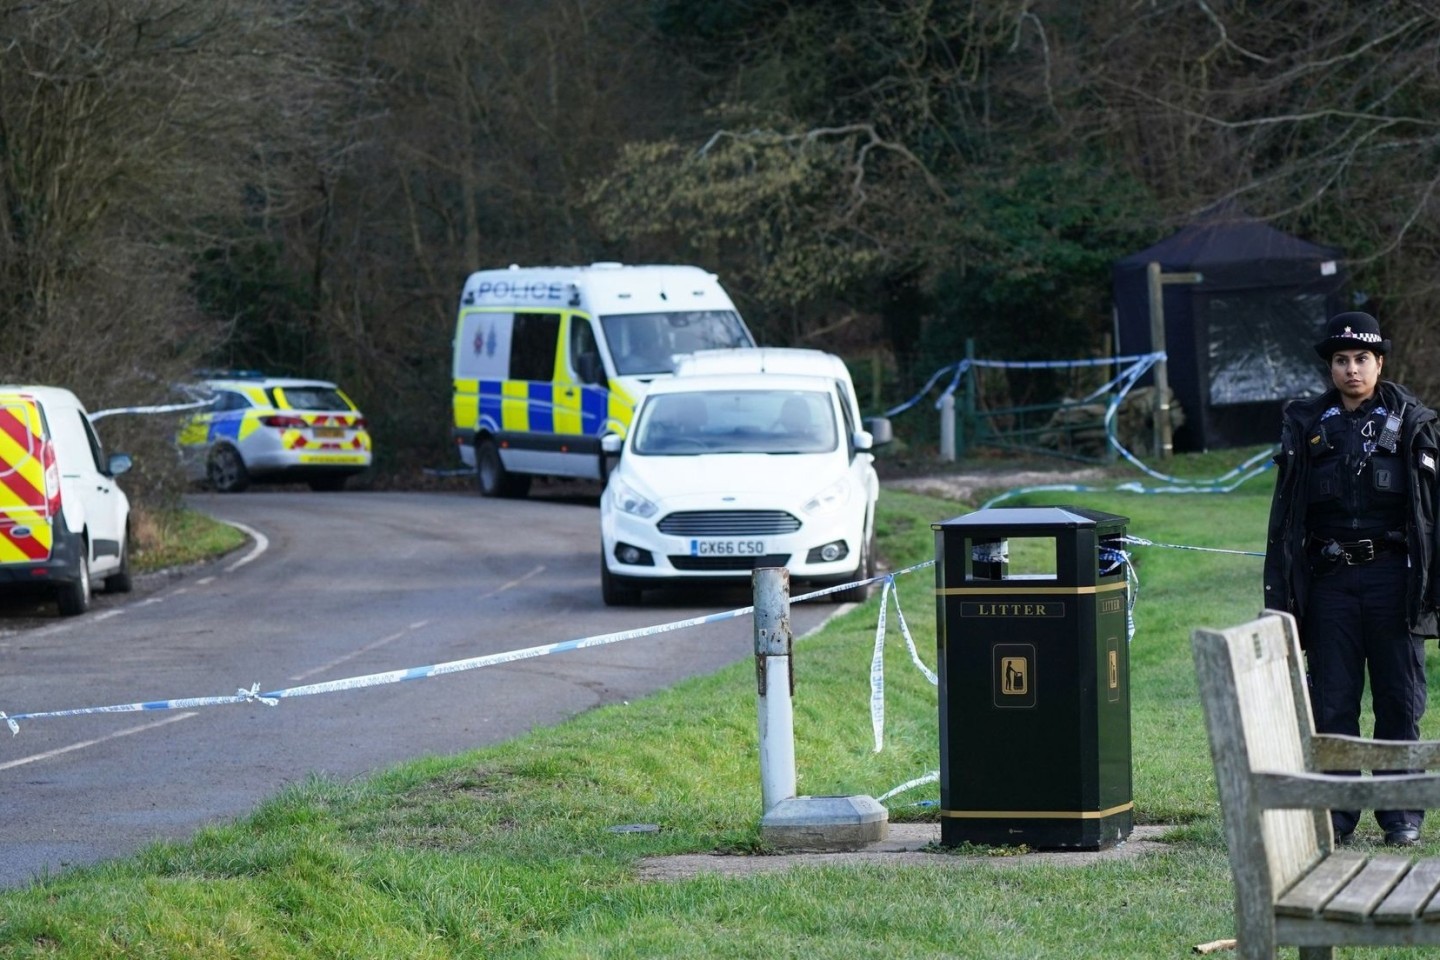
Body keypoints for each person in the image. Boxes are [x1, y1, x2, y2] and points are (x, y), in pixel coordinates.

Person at [1264, 310, 1440, 847]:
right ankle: (1337, 816)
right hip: (1331, 582)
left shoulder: (1414, 423)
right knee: (1334, 702)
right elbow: (1286, 516)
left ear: (1379, 363)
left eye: (1361, 359)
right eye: (1341, 361)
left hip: (1394, 578)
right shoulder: (1306, 425)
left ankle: (1400, 815)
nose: (1351, 370)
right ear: (1331, 369)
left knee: (1398, 698)